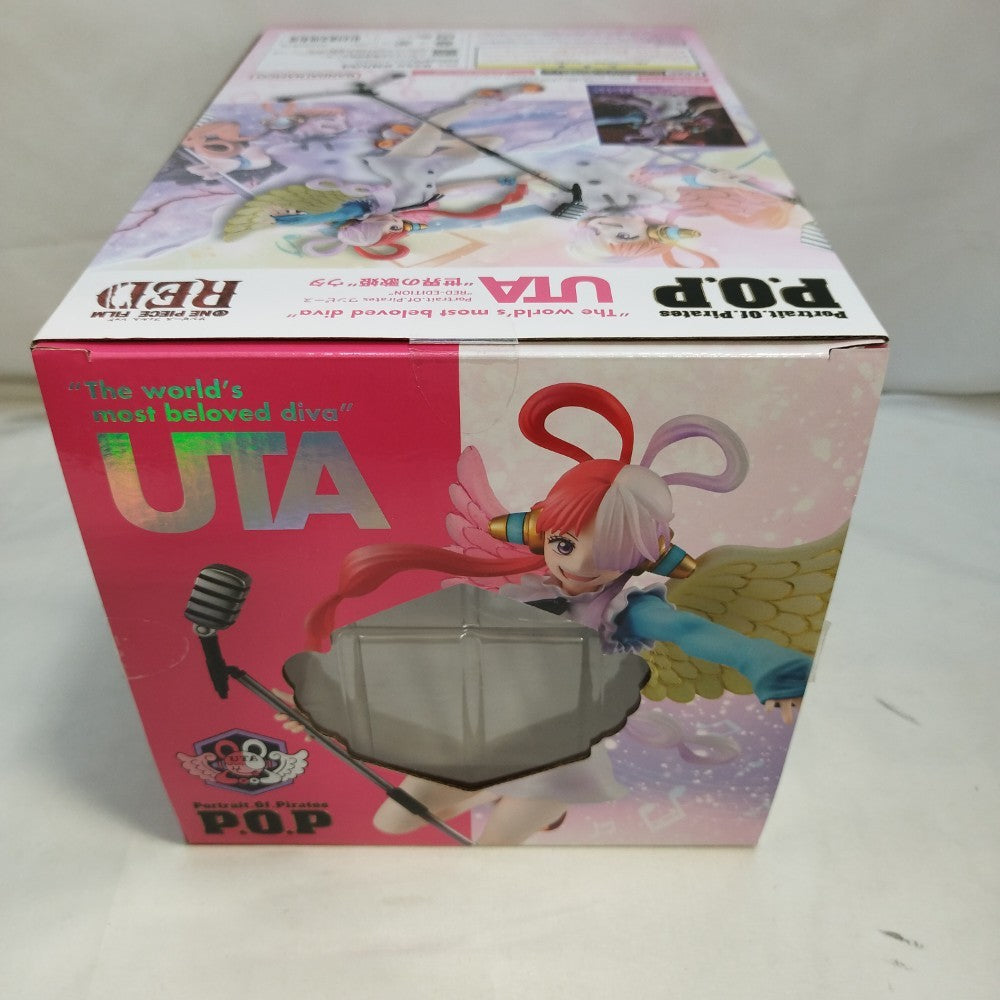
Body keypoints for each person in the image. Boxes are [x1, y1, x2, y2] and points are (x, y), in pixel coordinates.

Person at [304, 383, 810, 843]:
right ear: (537, 532)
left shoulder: (623, 611)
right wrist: (329, 698)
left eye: (610, 556)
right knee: (391, 821)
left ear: (644, 560)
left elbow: (693, 632)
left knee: (490, 851)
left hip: (555, 759)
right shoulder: (518, 595)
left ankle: (521, 804)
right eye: (565, 544)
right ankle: (488, 791)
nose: (582, 566)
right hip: (482, 736)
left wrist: (775, 670)